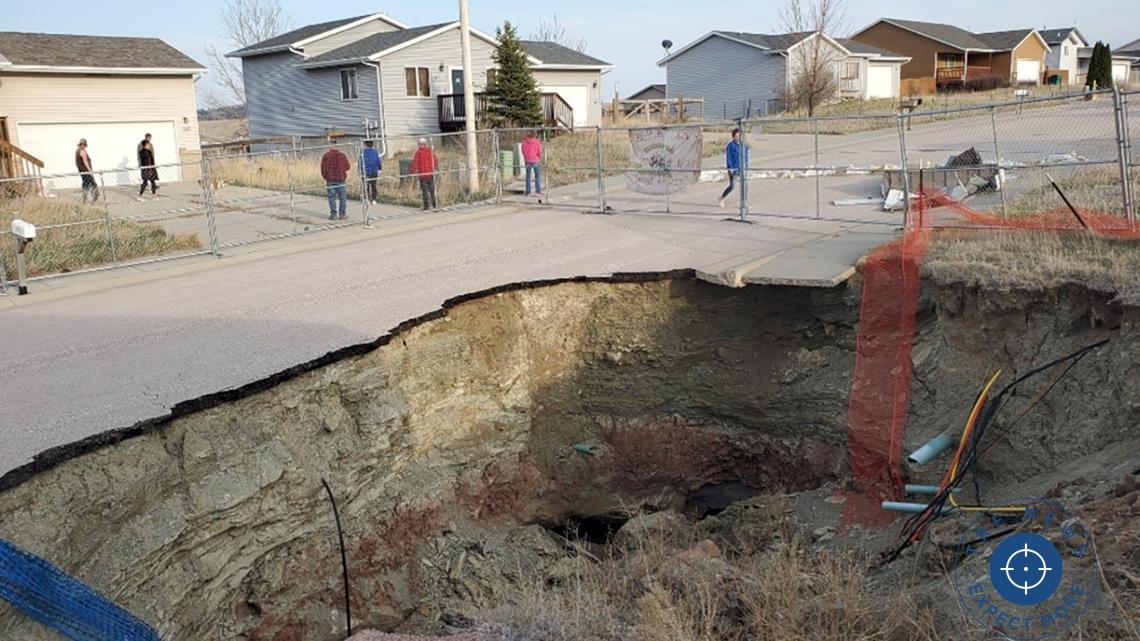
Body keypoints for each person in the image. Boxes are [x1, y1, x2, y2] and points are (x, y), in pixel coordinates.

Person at [320, 139, 351, 220]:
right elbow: (348, 167)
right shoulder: (342, 155)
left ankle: (333, 215)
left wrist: (326, 177)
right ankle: (342, 214)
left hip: (330, 179)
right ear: (336, 145)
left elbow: (323, 169)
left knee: (331, 198)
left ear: (329, 145)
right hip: (341, 179)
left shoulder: (326, 156)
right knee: (342, 197)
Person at [718, 128, 749, 208]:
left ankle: (744, 204)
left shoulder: (744, 145)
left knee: (745, 186)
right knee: (732, 186)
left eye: (739, 135)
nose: (738, 137)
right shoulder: (731, 146)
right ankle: (722, 197)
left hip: (742, 168)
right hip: (734, 169)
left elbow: (746, 156)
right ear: (733, 136)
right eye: (736, 136)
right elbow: (729, 158)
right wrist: (730, 168)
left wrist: (746, 165)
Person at [410, 138, 439, 211]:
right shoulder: (430, 151)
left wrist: (412, 172)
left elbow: (415, 163)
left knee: (425, 191)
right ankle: (435, 205)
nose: (418, 145)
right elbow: (435, 160)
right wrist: (435, 168)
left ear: (420, 144)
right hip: (430, 174)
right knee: (432, 190)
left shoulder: (418, 153)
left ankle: (427, 206)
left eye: (419, 144)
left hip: (423, 175)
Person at [75, 138, 99, 204]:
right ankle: (93, 200)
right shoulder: (82, 151)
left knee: (86, 185)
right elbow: (86, 162)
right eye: (82, 145)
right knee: (93, 186)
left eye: (84, 145)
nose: (83, 146)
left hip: (82, 172)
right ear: (81, 145)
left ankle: (85, 199)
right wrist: (90, 172)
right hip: (86, 172)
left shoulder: (77, 150)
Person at [137, 133, 159, 199]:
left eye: (150, 138)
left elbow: (152, 154)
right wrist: (140, 164)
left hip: (151, 165)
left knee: (153, 180)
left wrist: (153, 164)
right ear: (146, 137)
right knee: (145, 181)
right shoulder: (141, 144)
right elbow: (139, 155)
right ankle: (140, 195)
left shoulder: (151, 144)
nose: (149, 139)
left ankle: (154, 195)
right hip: (145, 165)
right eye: (148, 138)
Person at [521, 131, 543, 196]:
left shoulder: (524, 141)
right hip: (535, 159)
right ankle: (538, 191)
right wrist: (538, 156)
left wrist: (526, 156)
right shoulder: (536, 141)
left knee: (528, 176)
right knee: (537, 176)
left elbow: (523, 150)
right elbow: (539, 150)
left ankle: (528, 192)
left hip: (527, 160)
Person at [361, 140, 382, 204]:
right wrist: (379, 169)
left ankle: (366, 199)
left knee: (366, 186)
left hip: (366, 171)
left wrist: (360, 170)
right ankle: (374, 199)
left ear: (365, 144)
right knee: (373, 185)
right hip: (374, 171)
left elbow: (361, 162)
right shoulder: (375, 152)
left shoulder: (363, 153)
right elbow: (378, 161)